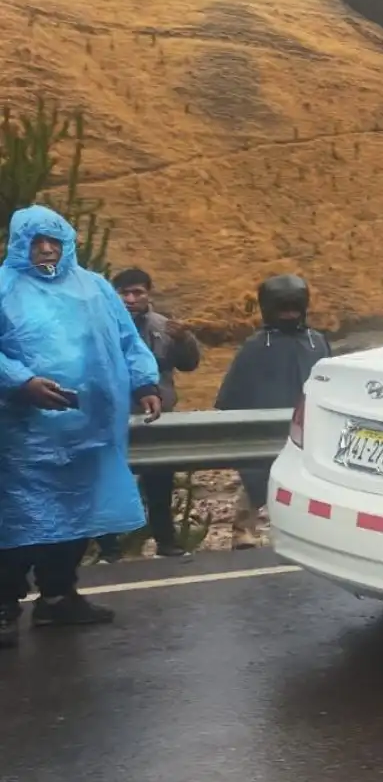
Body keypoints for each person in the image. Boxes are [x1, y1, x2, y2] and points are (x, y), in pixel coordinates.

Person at [0, 206, 162, 647]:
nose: (47, 248)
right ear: (20, 244)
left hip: (86, 427)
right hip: (23, 433)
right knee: (16, 520)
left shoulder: (94, 289)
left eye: (54, 240)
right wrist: (22, 381)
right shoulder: (4, 288)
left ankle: (58, 597)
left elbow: (126, 339)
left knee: (74, 516)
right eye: (36, 241)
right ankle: (4, 605)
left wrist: (146, 381)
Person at [216, 274, 330, 549]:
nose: (289, 314)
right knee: (257, 476)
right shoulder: (256, 346)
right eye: (283, 308)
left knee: (309, 480)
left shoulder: (316, 342)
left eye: (294, 307)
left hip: (307, 424)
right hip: (265, 425)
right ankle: (244, 528)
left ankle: (307, 532)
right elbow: (232, 393)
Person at [97, 266, 201, 561]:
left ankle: (166, 541)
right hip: (114, 417)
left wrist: (184, 340)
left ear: (148, 294)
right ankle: (109, 547)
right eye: (124, 293)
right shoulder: (102, 326)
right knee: (111, 482)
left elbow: (189, 364)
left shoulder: (163, 327)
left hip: (156, 419)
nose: (130, 299)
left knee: (160, 484)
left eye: (137, 292)